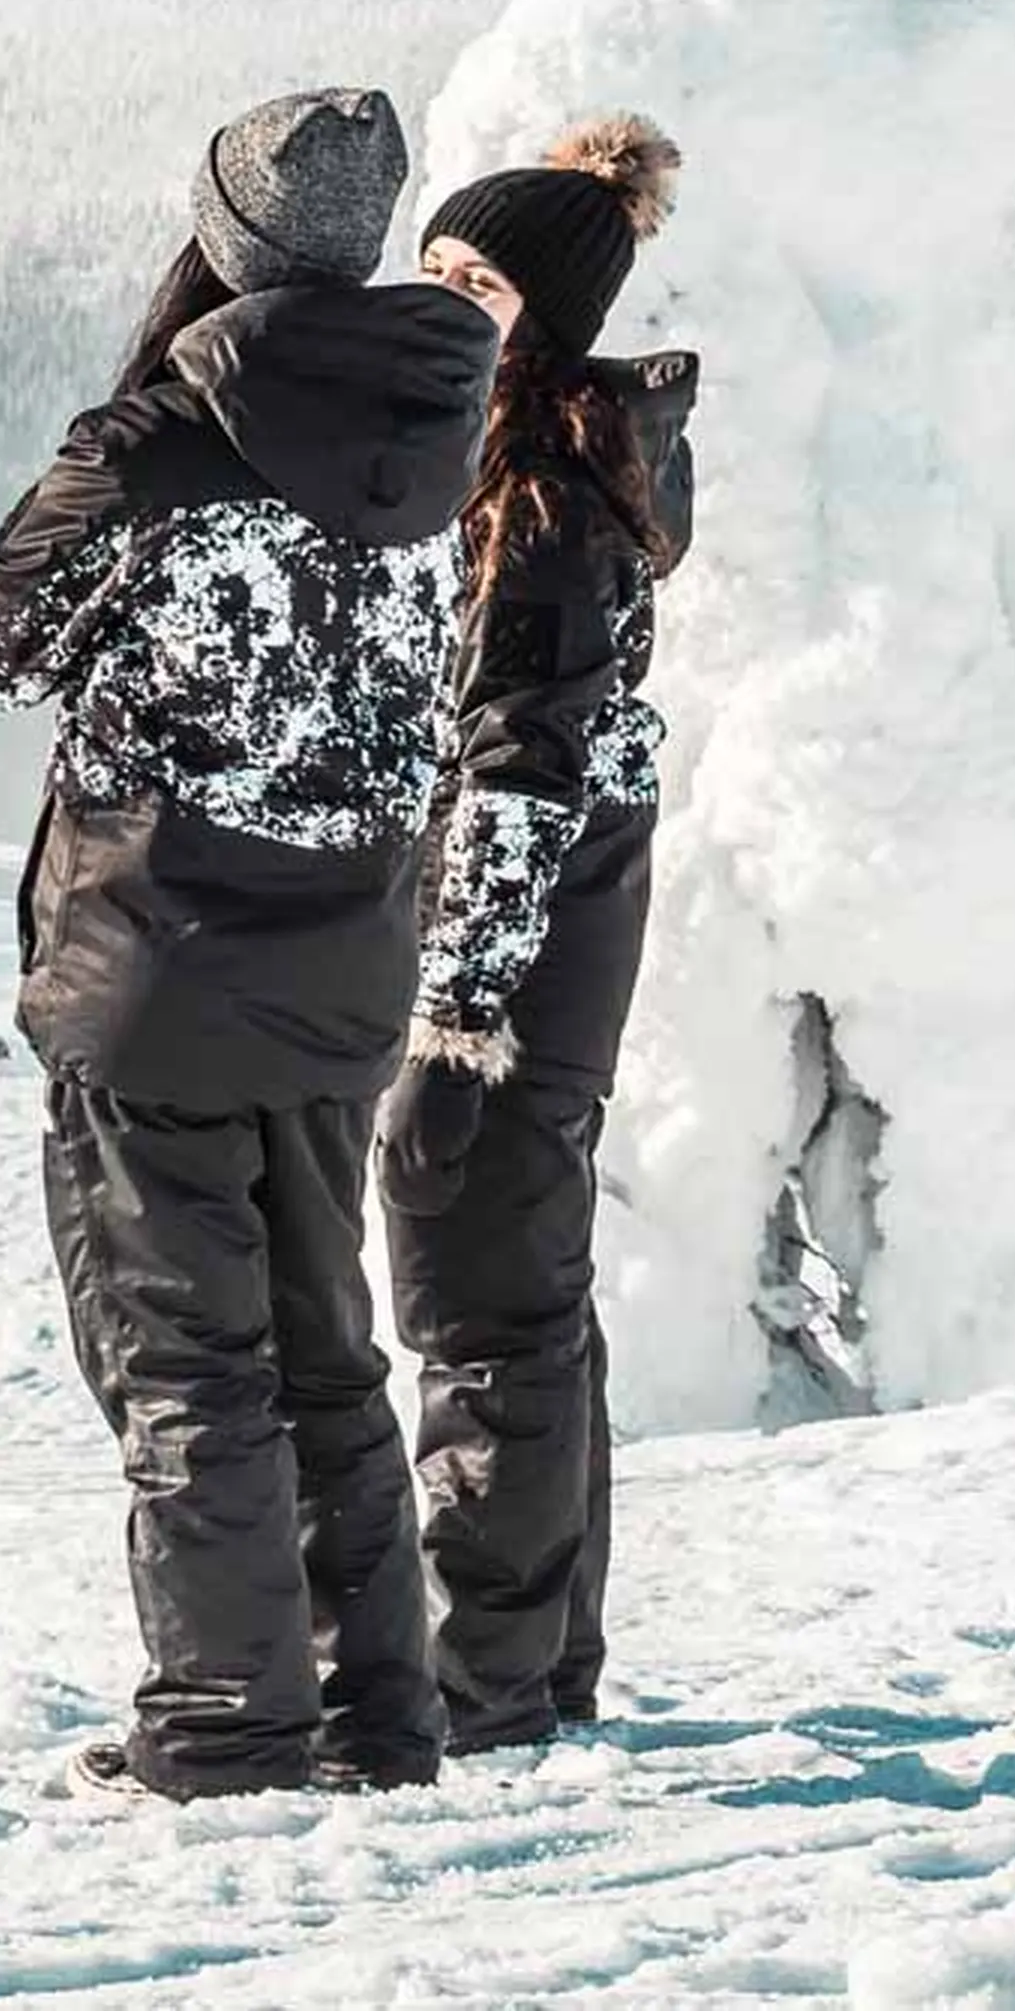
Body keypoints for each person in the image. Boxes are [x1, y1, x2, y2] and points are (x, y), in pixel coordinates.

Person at [0, 87, 496, 1802]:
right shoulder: (436, 433)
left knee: (184, 1359)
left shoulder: (162, 444)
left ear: (224, 240)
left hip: (154, 961)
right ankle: (375, 1706)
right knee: (328, 1345)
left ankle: (227, 1721)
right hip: (346, 965)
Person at [376, 114, 696, 1758]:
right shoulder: (513, 454)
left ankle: (482, 1684)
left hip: (533, 929)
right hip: (562, 911)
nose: (448, 299)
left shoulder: (545, 495)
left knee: (483, 1298)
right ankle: (544, 1660)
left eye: (484, 283)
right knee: (532, 1295)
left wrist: (454, 1025)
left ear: (547, 322)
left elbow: (518, 776)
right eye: (435, 265)